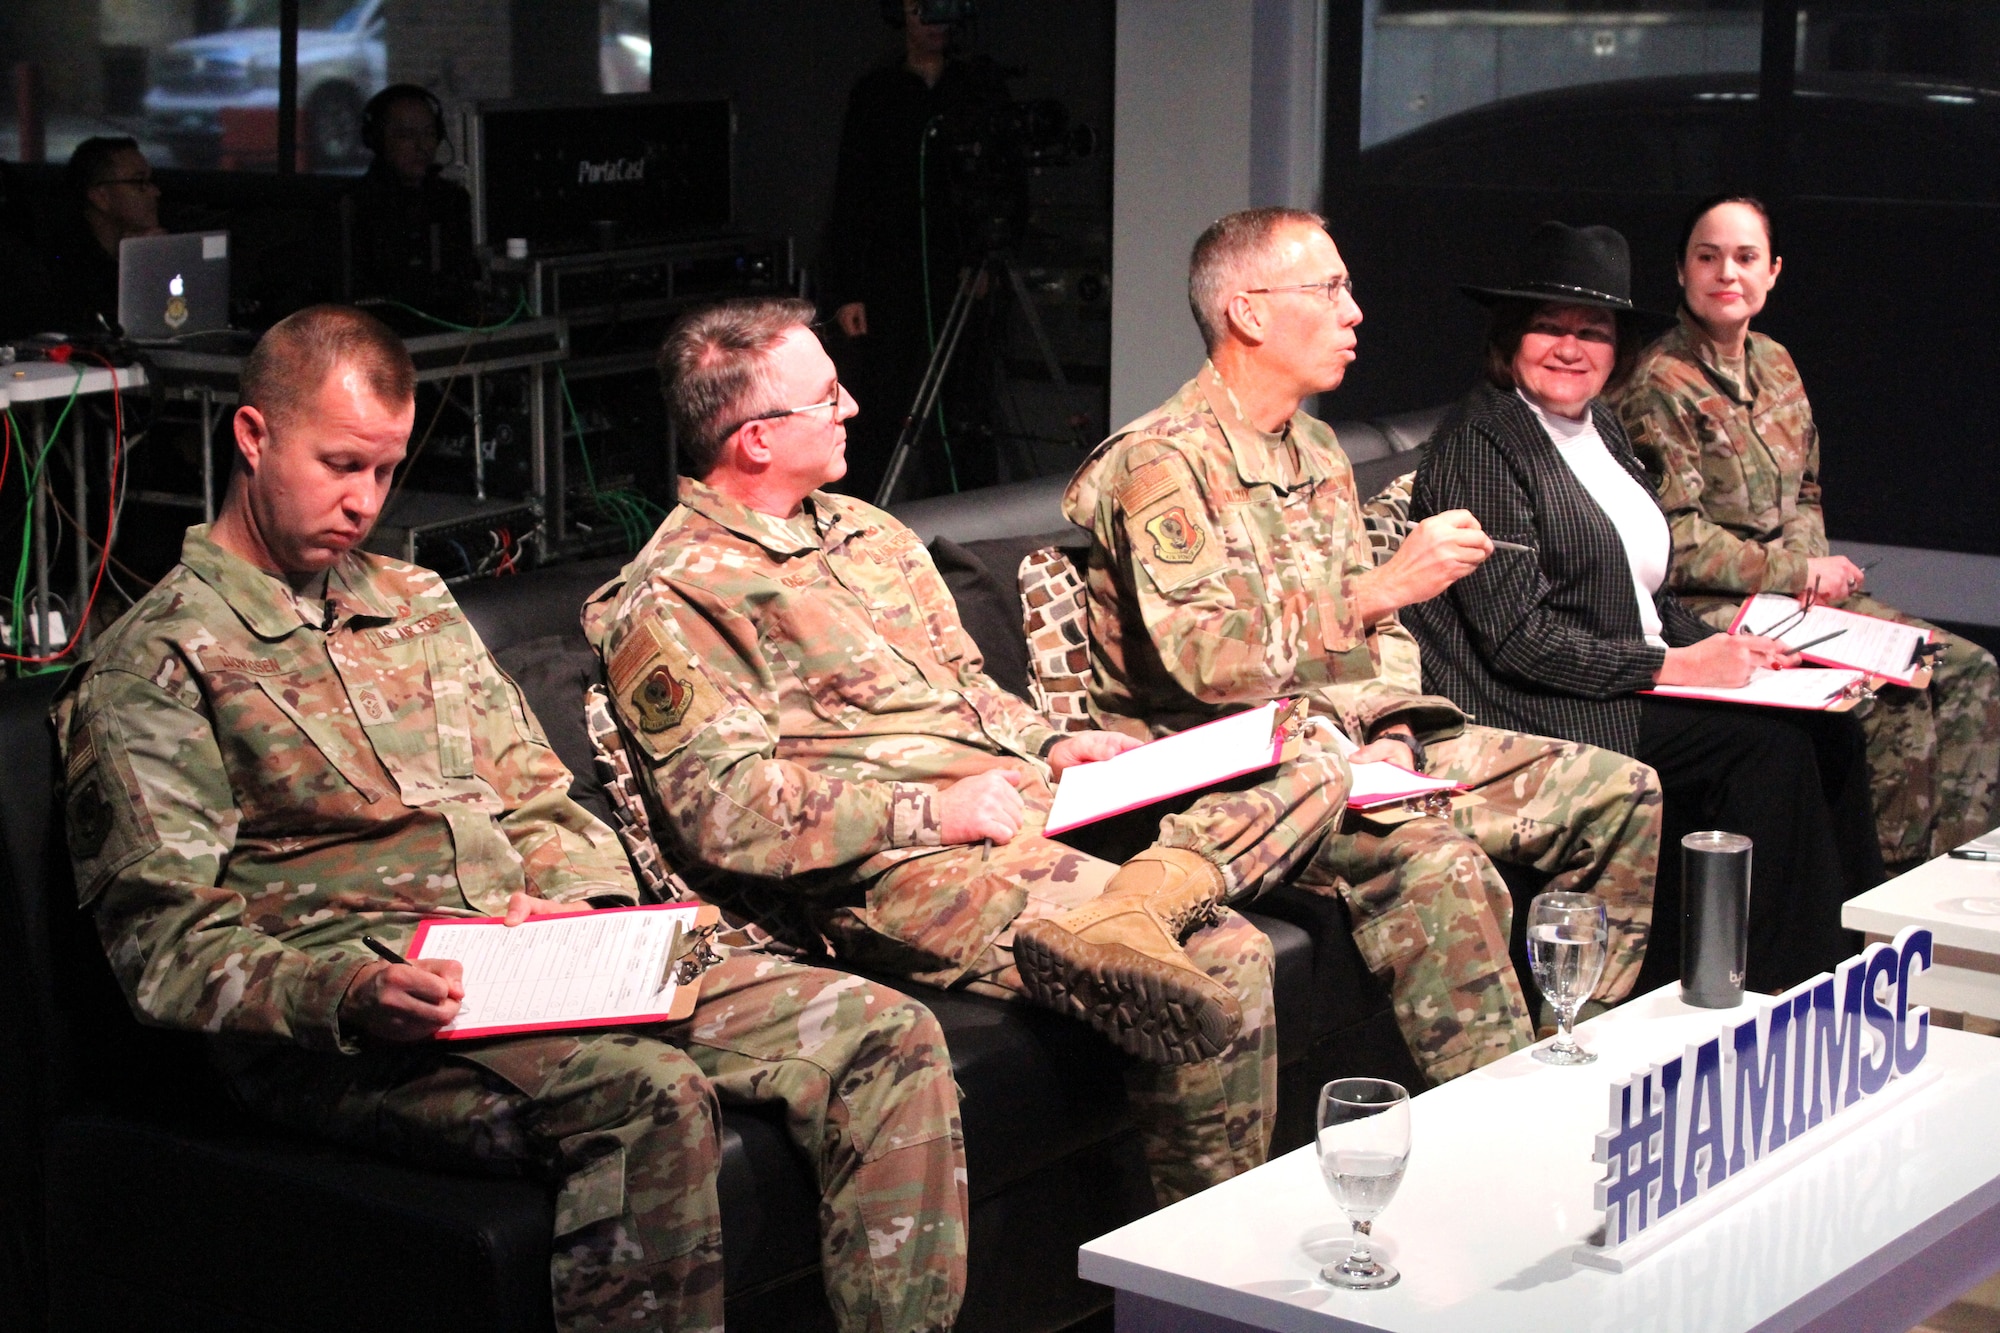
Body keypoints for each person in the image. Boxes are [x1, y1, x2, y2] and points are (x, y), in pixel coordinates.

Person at [52, 304, 967, 1333]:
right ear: (253, 437)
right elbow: (165, 941)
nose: (364, 502)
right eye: (341, 464)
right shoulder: (158, 661)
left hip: (529, 960)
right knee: (648, 1098)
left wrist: (580, 905)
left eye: (386, 472)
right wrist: (345, 987)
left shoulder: (412, 602)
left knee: (885, 1032)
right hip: (356, 1022)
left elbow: (537, 797)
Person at [586, 295, 1364, 1201]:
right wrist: (934, 809)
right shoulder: (674, 597)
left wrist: (1055, 742)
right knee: (1221, 949)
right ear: (756, 438)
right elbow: (724, 810)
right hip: (910, 865)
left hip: (1032, 806)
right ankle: (1198, 1274)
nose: (852, 410)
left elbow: (970, 691)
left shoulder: (867, 533)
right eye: (828, 397)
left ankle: (1146, 896)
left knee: (1312, 752)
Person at [1065, 207, 1661, 1069]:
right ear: (1251, 313)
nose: (1355, 312)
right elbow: (1204, 661)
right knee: (1441, 862)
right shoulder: (1162, 463)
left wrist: (1393, 724)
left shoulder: (1317, 449)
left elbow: (1384, 640)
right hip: (1237, 770)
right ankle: (1490, 1117)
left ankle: (1575, 1045)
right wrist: (1376, 590)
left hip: (1350, 741)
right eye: (1331, 288)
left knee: (1621, 794)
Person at [1401, 221, 1883, 993]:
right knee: (1767, 753)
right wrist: (1674, 664)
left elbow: (1643, 594)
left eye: (1591, 331)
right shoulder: (1483, 444)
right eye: (1548, 326)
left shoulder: (1602, 429)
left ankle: (1857, 969)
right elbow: (1519, 641)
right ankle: (1762, 993)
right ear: (1510, 337)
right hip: (1539, 704)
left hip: (1622, 676)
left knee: (1830, 728)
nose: (1570, 347)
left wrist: (1735, 643)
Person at [1613, 195, 1999, 873]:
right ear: (1681, 270)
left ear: (1773, 271)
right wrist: (1795, 575)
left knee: (1968, 670)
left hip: (1801, 597)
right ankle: (1879, 897)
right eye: (1708, 257)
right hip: (1713, 606)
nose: (1726, 272)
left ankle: (1952, 881)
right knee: (1893, 700)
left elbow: (1807, 490)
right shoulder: (1658, 381)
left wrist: (1813, 568)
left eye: (1745, 257)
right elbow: (1676, 539)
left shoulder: (1776, 362)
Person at [821, 0, 1009, 499]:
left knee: (965, 398)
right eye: (922, 11)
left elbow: (1004, 179)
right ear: (903, 14)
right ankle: (870, 514)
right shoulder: (876, 93)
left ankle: (972, 507)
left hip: (961, 272)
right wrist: (848, 290)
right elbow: (852, 193)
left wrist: (988, 252)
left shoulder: (976, 87)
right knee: (887, 399)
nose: (934, 25)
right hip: (892, 275)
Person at [344, 83, 478, 320]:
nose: (421, 146)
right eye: (406, 135)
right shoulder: (353, 206)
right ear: (377, 140)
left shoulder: (452, 202)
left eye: (428, 133)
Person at [48, 135, 164, 331]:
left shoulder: (156, 241)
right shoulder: (64, 264)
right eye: (139, 182)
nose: (154, 192)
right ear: (101, 197)